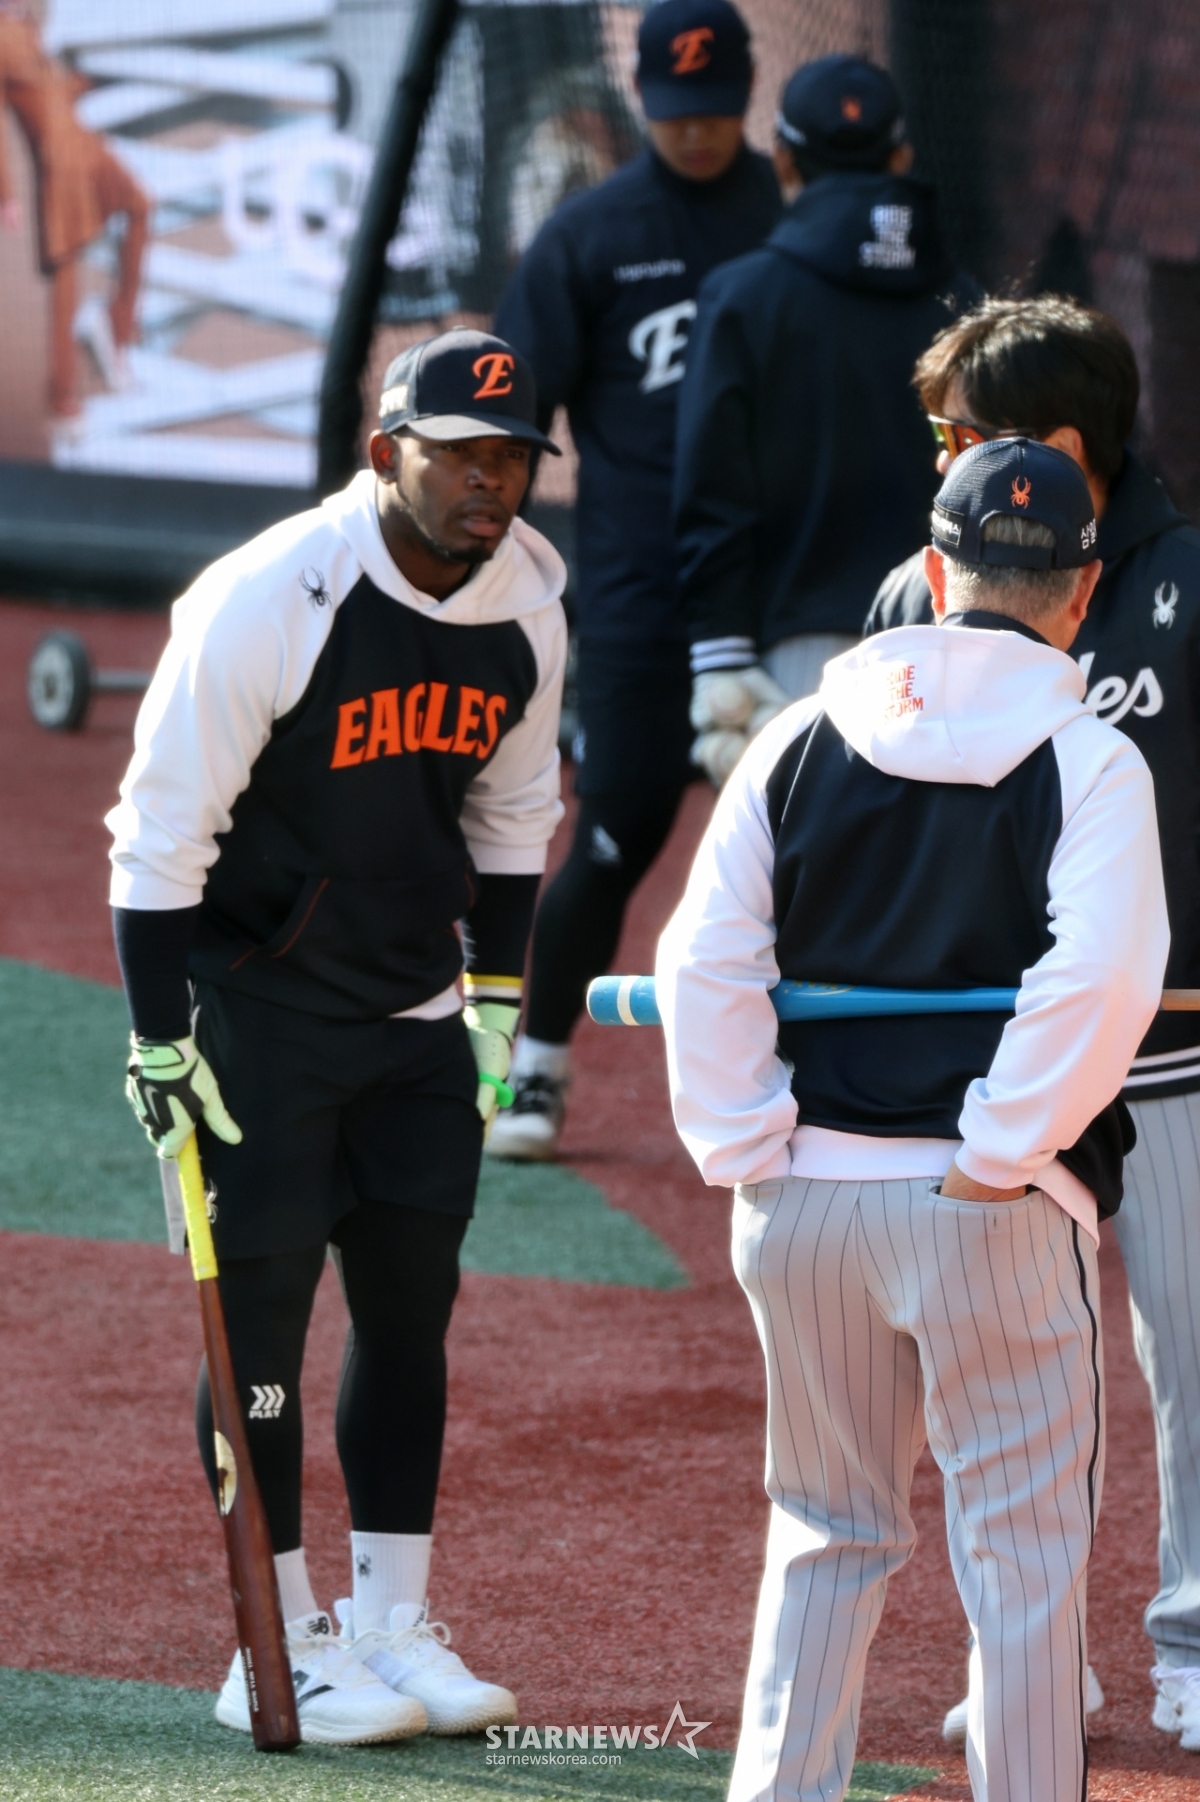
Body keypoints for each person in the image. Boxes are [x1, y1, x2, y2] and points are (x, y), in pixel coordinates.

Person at [656, 437, 1169, 1801]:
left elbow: (702, 960)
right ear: (1084, 591)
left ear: (936, 571)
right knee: (1023, 1557)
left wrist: (750, 1147)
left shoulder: (797, 733)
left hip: (807, 1200)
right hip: (995, 1211)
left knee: (823, 1531)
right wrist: (1001, 1153)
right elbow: (1102, 980)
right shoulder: (1091, 759)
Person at [107, 329, 567, 1745]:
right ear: (385, 454)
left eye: (513, 459)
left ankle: (388, 1623)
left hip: (417, 1013)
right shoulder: (271, 594)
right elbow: (158, 835)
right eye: (460, 454)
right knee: (260, 1322)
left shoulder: (530, 604)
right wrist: (160, 1038)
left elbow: (512, 817)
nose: (492, 483)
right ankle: (277, 1636)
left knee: (411, 1316)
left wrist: (496, 1004)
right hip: (259, 1012)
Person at [864, 295, 1200, 1749]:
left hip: (1177, 1059)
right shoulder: (914, 592)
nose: (942, 455)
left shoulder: (1189, 582)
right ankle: (1033, 1651)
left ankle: (1194, 1641)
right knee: (1006, 1376)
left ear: (1059, 444)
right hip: (994, 1069)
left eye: (963, 433)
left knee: (1194, 1357)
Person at [488, 0, 782, 1160]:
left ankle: (833, 1097)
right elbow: (512, 411)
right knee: (617, 832)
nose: (695, 132)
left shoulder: (789, 217)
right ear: (642, 103)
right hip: (639, 589)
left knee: (825, 850)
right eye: (674, 112)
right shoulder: (593, 234)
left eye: (713, 110)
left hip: (779, 587)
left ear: (744, 97)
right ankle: (535, 1066)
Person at [673, 52, 976, 786]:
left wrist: (720, 652)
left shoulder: (742, 296)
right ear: (900, 158)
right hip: (953, 649)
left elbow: (712, 489)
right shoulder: (968, 304)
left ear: (782, 160)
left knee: (806, 858)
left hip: (797, 660)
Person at [0, 1, 149, 420]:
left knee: (140, 205)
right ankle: (62, 395)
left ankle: (117, 326)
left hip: (82, 143)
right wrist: (6, 193)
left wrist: (99, 77)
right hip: (58, 162)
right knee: (66, 274)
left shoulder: (29, 25)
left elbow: (55, 89)